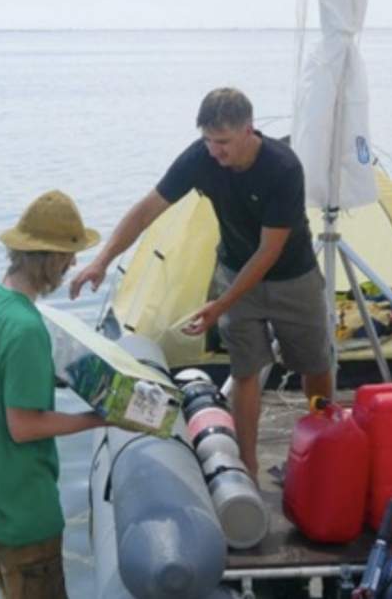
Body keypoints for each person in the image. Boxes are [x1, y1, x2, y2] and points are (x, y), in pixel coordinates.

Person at [70, 87, 332, 481]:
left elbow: (268, 252)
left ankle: (324, 442)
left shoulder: (283, 168)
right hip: (233, 268)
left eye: (223, 142)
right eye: (208, 140)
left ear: (249, 130)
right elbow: (146, 211)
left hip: (291, 276)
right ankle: (247, 465)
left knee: (314, 365)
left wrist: (220, 306)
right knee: (245, 371)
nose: (214, 152)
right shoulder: (200, 158)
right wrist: (102, 261)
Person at [0, 189, 108, 599]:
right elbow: (23, 426)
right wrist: (97, 419)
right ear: (47, 257)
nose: (73, 263)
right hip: (23, 514)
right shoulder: (26, 328)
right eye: (67, 254)